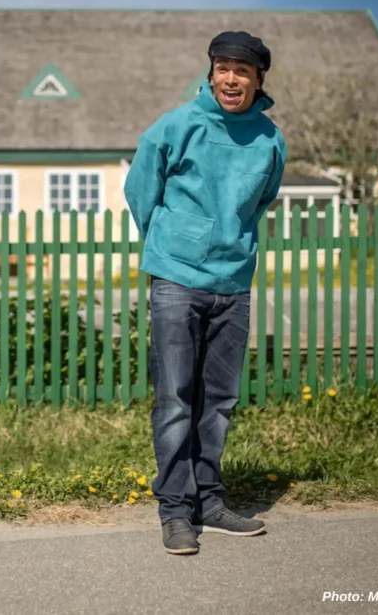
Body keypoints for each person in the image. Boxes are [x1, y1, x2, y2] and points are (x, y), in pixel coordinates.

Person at [124, 31, 286, 555]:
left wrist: (229, 242)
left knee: (219, 400)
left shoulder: (270, 139)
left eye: (243, 71)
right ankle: (175, 510)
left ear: (259, 79)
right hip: (176, 277)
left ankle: (209, 503)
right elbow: (140, 189)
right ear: (211, 73)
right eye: (223, 68)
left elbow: (261, 201)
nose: (231, 79)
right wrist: (171, 240)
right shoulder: (177, 125)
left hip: (233, 281)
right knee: (175, 399)